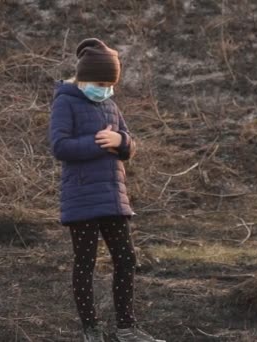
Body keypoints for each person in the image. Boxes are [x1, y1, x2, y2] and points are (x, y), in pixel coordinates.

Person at [49, 38, 165, 342]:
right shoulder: (65, 101)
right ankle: (91, 330)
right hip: (82, 198)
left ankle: (126, 329)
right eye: (101, 82)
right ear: (83, 77)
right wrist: (97, 143)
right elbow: (59, 146)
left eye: (110, 84)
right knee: (85, 263)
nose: (105, 88)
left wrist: (121, 143)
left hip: (114, 197)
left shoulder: (110, 104)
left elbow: (128, 143)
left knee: (126, 259)